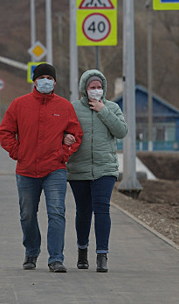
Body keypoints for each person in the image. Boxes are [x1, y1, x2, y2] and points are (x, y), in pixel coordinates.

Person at [0, 63, 83, 273]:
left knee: (57, 213)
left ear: (55, 82)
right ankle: (31, 251)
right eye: (41, 77)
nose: (46, 81)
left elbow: (76, 135)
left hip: (55, 169)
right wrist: (18, 152)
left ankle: (56, 258)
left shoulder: (64, 106)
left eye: (49, 77)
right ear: (34, 81)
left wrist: (64, 153)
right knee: (27, 214)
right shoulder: (19, 104)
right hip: (26, 170)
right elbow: (6, 131)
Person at [64, 69, 128, 272]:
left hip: (105, 168)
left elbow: (121, 131)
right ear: (84, 89)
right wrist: (65, 138)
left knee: (102, 209)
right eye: (92, 87)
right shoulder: (72, 108)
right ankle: (82, 251)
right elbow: (62, 131)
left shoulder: (112, 107)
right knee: (83, 211)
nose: (96, 91)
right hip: (79, 168)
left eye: (99, 87)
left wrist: (103, 111)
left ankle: (102, 255)